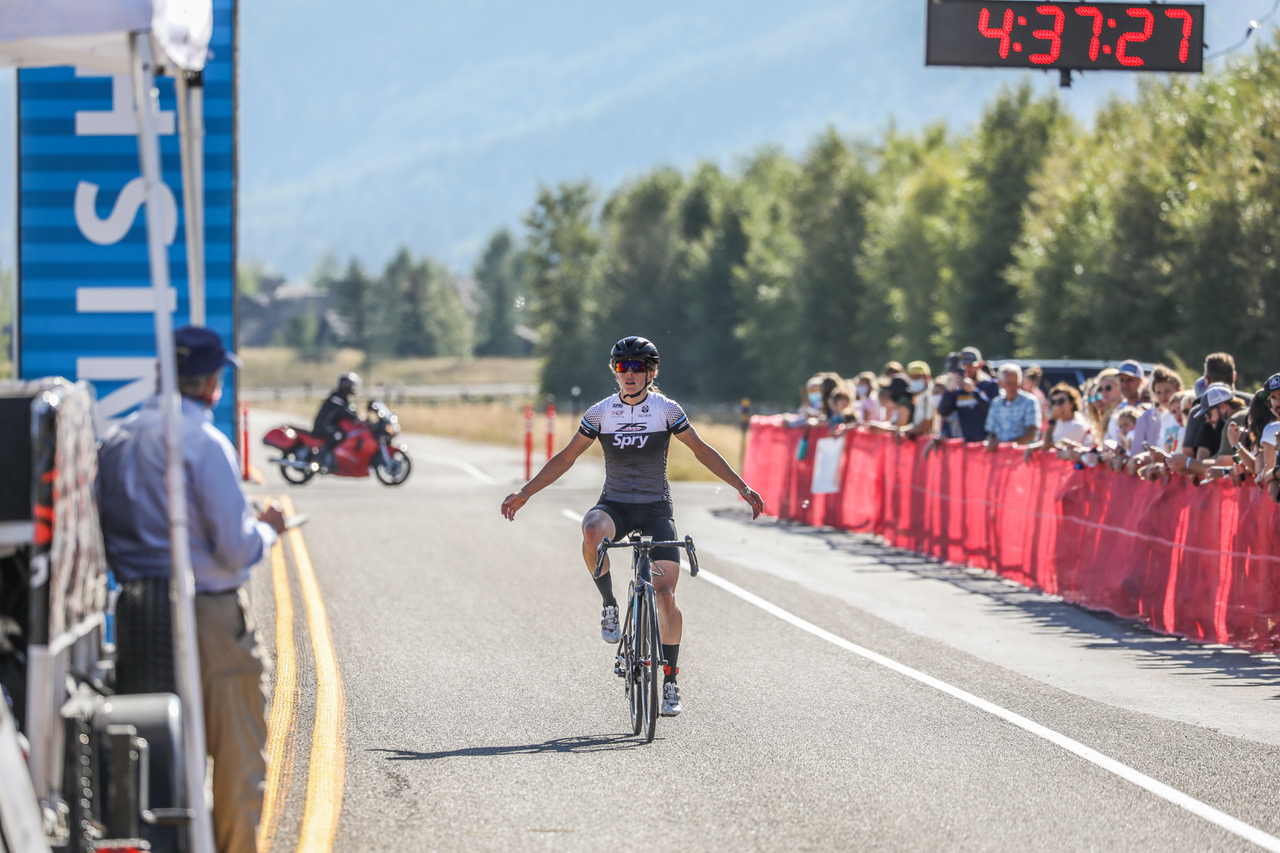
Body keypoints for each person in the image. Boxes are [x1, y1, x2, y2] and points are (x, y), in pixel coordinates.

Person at [500, 336, 764, 717]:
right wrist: (526, 493)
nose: (629, 374)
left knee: (666, 595)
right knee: (592, 528)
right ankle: (609, 604)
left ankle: (670, 679)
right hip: (617, 506)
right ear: (615, 372)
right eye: (622, 367)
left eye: (637, 367)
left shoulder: (667, 411)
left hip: (656, 510)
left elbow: (702, 450)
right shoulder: (600, 413)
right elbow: (566, 457)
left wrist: (742, 486)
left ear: (651, 373)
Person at [98, 326, 286, 853]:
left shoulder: (118, 439)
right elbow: (234, 546)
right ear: (212, 383)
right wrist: (268, 528)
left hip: (140, 612)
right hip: (211, 618)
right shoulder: (203, 442)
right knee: (236, 764)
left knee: (156, 759)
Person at [936, 346, 998, 443]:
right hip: (967, 446)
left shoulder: (990, 385)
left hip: (986, 443)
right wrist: (949, 391)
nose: (967, 369)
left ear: (979, 365)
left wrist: (974, 391)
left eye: (970, 365)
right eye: (964, 366)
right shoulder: (958, 390)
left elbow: (993, 411)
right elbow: (943, 412)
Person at [983, 363, 1040, 451]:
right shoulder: (996, 403)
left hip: (1021, 457)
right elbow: (991, 431)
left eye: (1016, 383)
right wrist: (991, 441)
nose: (1013, 387)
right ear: (1000, 383)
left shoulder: (1030, 401)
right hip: (1000, 458)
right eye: (1009, 383)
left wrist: (1007, 445)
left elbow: (1032, 433)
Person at [312, 372, 362, 472]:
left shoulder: (342, 398)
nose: (353, 388)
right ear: (346, 386)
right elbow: (343, 411)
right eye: (352, 386)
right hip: (323, 427)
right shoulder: (336, 398)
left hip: (330, 426)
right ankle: (320, 457)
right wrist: (355, 418)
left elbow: (349, 411)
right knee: (338, 436)